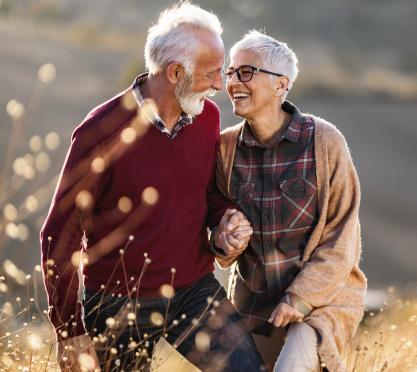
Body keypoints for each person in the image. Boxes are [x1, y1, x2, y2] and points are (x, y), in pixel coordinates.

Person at [40, 3, 263, 371]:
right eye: (211, 74)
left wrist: (225, 217)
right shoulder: (101, 131)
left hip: (194, 290)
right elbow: (58, 236)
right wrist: (70, 332)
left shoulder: (206, 115)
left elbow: (205, 191)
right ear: (175, 72)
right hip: (117, 302)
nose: (220, 85)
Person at [213, 30, 367, 371]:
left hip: (321, 300)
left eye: (246, 72)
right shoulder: (224, 149)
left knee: (295, 359)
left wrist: (300, 297)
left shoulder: (324, 141)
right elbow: (217, 229)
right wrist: (224, 241)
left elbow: (343, 238)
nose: (234, 81)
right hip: (254, 306)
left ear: (281, 86)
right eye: (230, 72)